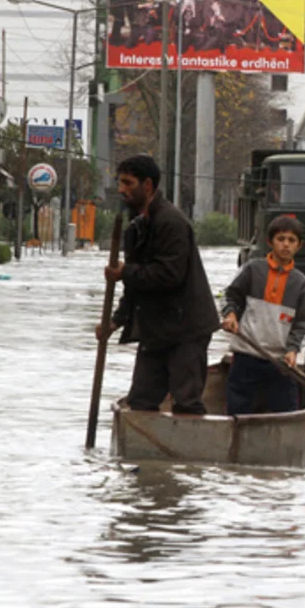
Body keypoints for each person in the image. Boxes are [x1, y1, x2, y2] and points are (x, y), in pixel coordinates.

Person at [98, 155, 220, 414]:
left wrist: (125, 272)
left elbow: (169, 274)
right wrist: (116, 321)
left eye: (128, 183)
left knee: (186, 403)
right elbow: (135, 286)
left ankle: (188, 452)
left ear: (148, 185)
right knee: (141, 401)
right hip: (156, 327)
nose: (121, 190)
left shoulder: (171, 222)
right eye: (120, 182)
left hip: (187, 327)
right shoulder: (137, 227)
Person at [220, 216, 305, 416]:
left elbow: (302, 323)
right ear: (270, 242)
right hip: (246, 353)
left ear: (299, 245)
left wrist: (292, 350)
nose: (286, 245)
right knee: (237, 408)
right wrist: (231, 315)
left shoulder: (301, 283)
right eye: (281, 239)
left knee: (287, 411)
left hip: (279, 360)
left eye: (291, 240)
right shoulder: (253, 270)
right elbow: (230, 296)